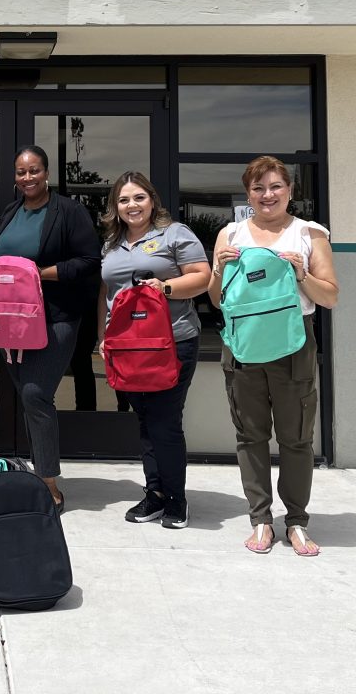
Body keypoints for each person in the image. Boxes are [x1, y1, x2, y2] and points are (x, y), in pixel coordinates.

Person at [208, 156, 338, 556]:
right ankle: (261, 520)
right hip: (244, 345)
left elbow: (329, 295)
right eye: (259, 188)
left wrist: (302, 274)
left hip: (294, 344)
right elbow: (217, 300)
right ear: (248, 193)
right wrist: (218, 270)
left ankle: (296, 521)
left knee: (296, 438)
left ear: (290, 191)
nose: (268, 195)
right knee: (251, 436)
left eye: (276, 186)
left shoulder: (309, 233)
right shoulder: (230, 234)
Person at [0, 144, 100, 509]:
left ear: (47, 172)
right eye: (21, 172)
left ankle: (48, 480)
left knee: (36, 394)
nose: (27, 178)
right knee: (28, 396)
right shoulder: (10, 212)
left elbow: (88, 261)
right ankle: (40, 468)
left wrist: (42, 274)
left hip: (57, 317)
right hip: (10, 321)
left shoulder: (68, 211)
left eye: (34, 170)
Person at [97, 171, 211, 529]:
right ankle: (156, 494)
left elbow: (201, 276)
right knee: (146, 422)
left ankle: (177, 498)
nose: (132, 205)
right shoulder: (111, 244)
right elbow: (106, 293)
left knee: (164, 421)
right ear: (116, 207)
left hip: (172, 342)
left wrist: (164, 288)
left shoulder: (175, 234)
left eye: (139, 198)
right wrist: (105, 335)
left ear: (152, 200)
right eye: (124, 200)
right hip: (129, 347)